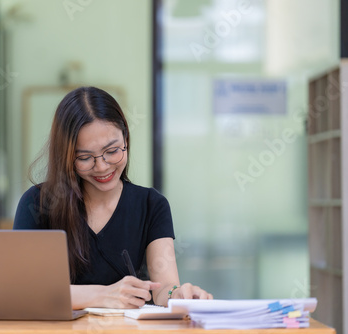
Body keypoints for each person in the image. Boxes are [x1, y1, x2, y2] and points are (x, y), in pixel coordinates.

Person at [14, 86, 212, 309]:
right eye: (85, 157)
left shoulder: (151, 205)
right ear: (66, 157)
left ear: (126, 138)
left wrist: (179, 295)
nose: (102, 166)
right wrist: (102, 295)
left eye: (112, 151)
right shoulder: (37, 203)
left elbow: (163, 286)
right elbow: (25, 291)